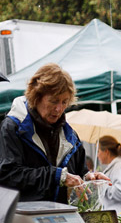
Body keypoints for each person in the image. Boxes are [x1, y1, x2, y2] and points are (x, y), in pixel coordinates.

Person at [0, 63, 110, 203]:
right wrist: (56, 176)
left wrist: (88, 178)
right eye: (53, 101)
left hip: (62, 218)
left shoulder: (70, 136)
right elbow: (7, 175)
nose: (59, 109)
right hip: (23, 220)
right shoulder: (13, 127)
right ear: (36, 97)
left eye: (64, 102)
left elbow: (78, 172)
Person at [96, 135, 121, 214]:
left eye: (98, 151)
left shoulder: (119, 167)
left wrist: (102, 184)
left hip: (120, 216)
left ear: (106, 152)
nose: (97, 155)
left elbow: (120, 193)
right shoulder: (115, 167)